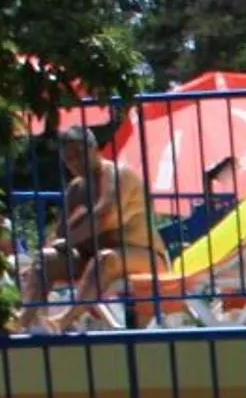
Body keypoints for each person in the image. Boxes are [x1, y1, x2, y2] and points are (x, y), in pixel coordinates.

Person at [24, 126, 167, 323]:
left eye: (79, 154)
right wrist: (39, 259)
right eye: (69, 159)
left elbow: (107, 216)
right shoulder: (76, 188)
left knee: (105, 259)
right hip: (93, 259)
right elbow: (60, 233)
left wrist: (70, 240)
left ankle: (64, 320)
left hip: (144, 256)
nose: (76, 162)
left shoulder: (118, 174)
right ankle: (25, 320)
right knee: (45, 259)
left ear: (94, 148)